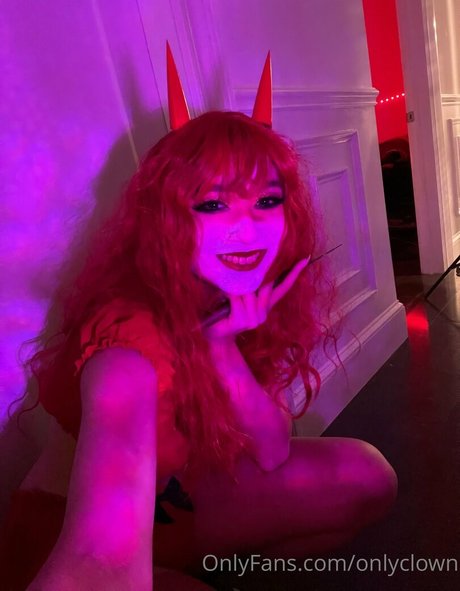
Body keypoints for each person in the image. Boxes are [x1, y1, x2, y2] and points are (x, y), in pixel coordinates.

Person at [0, 47, 397, 590]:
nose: (247, 229)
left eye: (266, 201)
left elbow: (273, 450)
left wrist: (221, 346)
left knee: (369, 477)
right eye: (212, 205)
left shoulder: (237, 298)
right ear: (167, 218)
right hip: (59, 534)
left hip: (173, 506)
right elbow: (99, 559)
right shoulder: (129, 339)